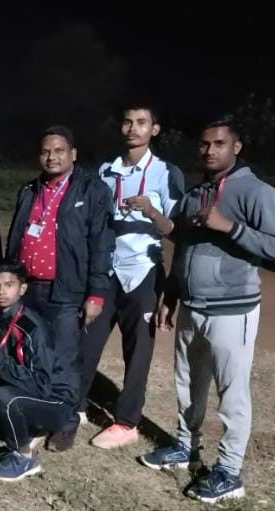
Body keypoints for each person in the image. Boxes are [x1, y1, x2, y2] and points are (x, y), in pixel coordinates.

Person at [140, 117, 275, 504]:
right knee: (188, 383)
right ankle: (185, 446)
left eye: (219, 144)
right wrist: (171, 293)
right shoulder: (196, 193)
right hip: (192, 306)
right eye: (204, 144)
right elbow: (184, 245)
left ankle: (230, 472)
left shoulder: (257, 192)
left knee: (231, 392)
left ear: (236, 147)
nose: (209, 150)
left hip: (233, 309)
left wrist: (230, 227)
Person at [78, 104, 183, 449]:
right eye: (127, 122)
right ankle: (74, 406)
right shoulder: (106, 170)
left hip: (144, 271)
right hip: (107, 270)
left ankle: (126, 422)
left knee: (137, 352)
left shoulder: (165, 172)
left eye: (141, 122)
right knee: (87, 341)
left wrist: (151, 211)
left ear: (154, 129)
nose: (133, 128)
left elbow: (176, 230)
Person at [3, 125, 113, 451]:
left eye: (59, 150)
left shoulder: (91, 191)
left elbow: (101, 244)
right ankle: (38, 415)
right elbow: (16, 237)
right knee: (32, 354)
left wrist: (96, 293)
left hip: (66, 290)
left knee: (64, 359)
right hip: (29, 289)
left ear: (73, 154)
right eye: (45, 151)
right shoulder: (30, 190)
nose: (51, 157)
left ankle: (67, 422)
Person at [0, 262, 76, 482]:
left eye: (9, 285)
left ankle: (25, 457)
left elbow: (42, 385)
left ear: (22, 288)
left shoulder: (32, 328)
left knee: (5, 398)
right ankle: (30, 430)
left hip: (55, 401)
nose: (1, 291)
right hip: (23, 392)